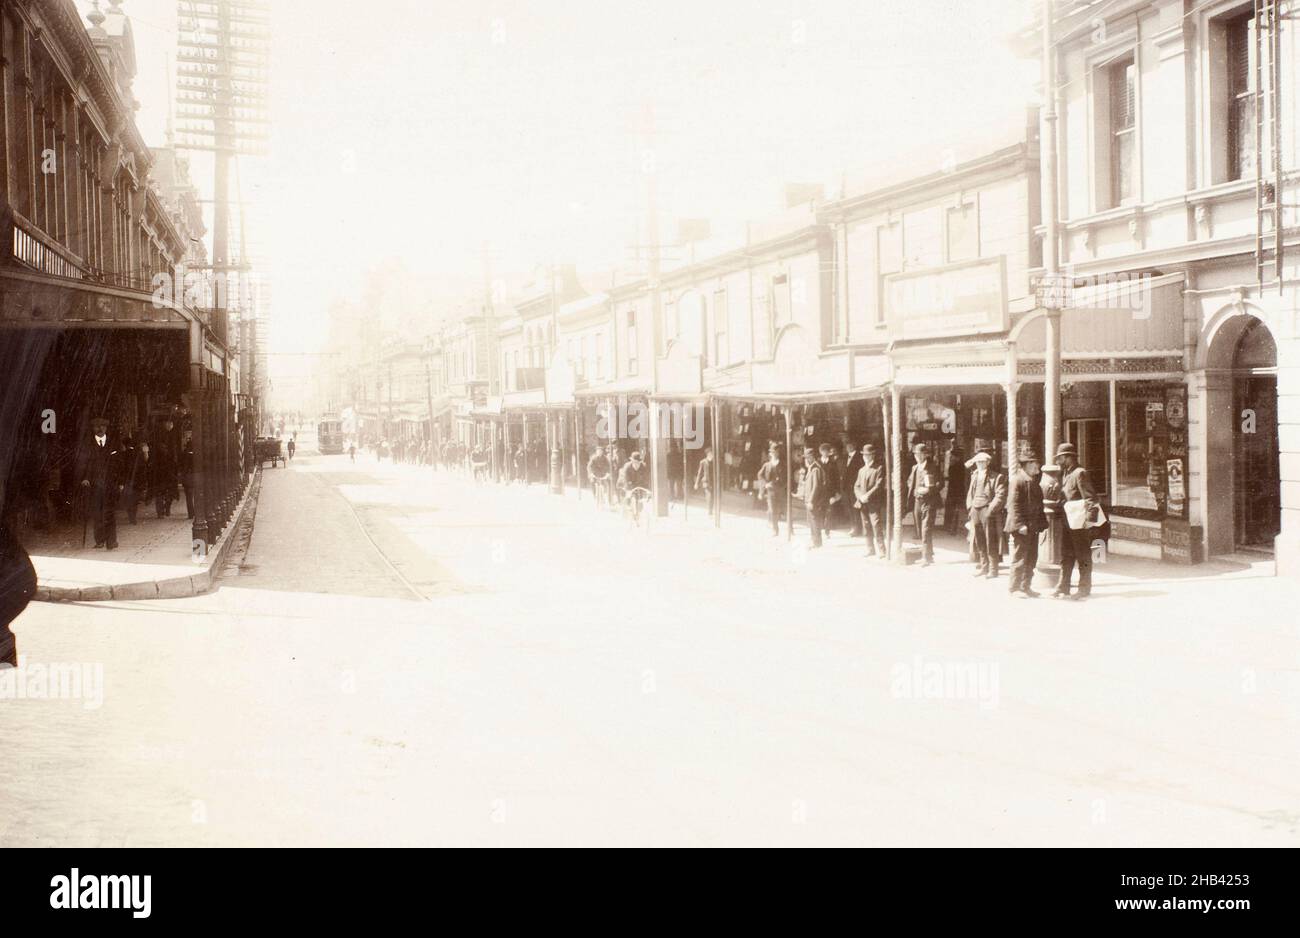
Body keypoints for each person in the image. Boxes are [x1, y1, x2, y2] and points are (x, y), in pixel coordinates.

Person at [1054, 442, 1100, 601]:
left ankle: (1084, 588)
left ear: (1068, 457)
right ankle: (1063, 586)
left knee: (1083, 556)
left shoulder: (1080, 473)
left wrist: (1089, 520)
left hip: (1080, 522)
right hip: (1068, 521)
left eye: (1060, 458)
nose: (1058, 461)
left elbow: (1091, 498)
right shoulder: (1066, 473)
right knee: (1066, 555)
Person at [1005, 449, 1047, 598]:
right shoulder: (1018, 480)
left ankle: (1025, 586)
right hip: (1022, 527)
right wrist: (1020, 524)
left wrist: (1042, 524)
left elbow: (1038, 504)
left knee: (1031, 557)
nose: (1038, 466)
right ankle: (1014, 587)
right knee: (1020, 557)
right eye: (1035, 463)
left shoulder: (1032, 481)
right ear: (1027, 464)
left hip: (1032, 527)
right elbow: (1013, 505)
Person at [76, 417, 122, 550]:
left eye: (102, 426)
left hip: (110, 484)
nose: (100, 429)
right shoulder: (88, 445)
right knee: (97, 513)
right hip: (95, 485)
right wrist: (85, 478)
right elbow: (83, 464)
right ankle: (100, 540)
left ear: (106, 428)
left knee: (110, 512)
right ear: (93, 429)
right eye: (97, 426)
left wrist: (120, 482)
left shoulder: (113, 444)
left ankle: (111, 541)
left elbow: (120, 464)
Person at [965, 447, 1007, 579]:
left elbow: (1000, 496)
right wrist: (970, 508)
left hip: (987, 510)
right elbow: (970, 493)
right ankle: (984, 566)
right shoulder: (975, 475)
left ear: (988, 462)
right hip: (975, 510)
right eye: (978, 462)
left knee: (990, 540)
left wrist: (990, 510)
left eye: (983, 462)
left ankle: (993, 569)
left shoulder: (997, 477)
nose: (980, 464)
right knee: (979, 539)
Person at [905, 442, 941, 566]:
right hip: (917, 502)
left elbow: (940, 483)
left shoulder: (933, 467)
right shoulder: (914, 468)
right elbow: (910, 481)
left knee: (926, 529)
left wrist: (928, 490)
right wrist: (913, 488)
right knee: (920, 529)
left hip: (929, 501)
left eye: (921, 454)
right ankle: (929, 554)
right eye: (916, 454)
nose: (918, 457)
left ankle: (926, 557)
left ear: (925, 455)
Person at [853, 443, 886, 558]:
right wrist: (860, 497)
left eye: (868, 455)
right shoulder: (861, 470)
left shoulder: (879, 468)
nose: (865, 457)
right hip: (863, 503)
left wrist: (867, 495)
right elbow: (856, 486)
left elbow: (879, 485)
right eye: (864, 455)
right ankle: (870, 549)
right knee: (866, 526)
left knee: (876, 525)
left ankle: (882, 550)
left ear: (872, 456)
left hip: (874, 502)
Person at [802, 447, 829, 549]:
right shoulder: (811, 468)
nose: (806, 460)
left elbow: (816, 486)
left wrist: (811, 501)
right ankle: (815, 541)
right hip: (809, 500)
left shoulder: (816, 469)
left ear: (811, 458)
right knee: (812, 521)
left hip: (814, 501)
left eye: (807, 458)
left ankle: (817, 542)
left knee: (815, 521)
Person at [756, 445, 786, 537]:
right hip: (771, 491)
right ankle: (775, 529)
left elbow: (787, 477)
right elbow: (760, 475)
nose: (774, 454)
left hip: (780, 490)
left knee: (780, 509)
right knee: (773, 510)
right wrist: (765, 484)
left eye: (775, 452)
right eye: (772, 452)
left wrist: (783, 486)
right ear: (770, 454)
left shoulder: (783, 465)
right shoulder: (767, 465)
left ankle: (788, 528)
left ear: (778, 453)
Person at [618, 451, 651, 524]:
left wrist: (647, 490)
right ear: (632, 462)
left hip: (640, 485)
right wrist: (629, 489)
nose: (636, 464)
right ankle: (628, 508)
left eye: (638, 463)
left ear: (640, 462)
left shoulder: (644, 467)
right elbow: (625, 480)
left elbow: (647, 479)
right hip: (629, 484)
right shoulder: (627, 467)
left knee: (641, 501)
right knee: (629, 496)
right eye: (634, 462)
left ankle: (638, 514)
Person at [841, 440, 864, 536]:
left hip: (855, 487)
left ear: (854, 445)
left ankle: (858, 529)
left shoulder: (859, 457)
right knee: (850, 508)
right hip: (847, 488)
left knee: (856, 509)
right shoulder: (845, 457)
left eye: (850, 445)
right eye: (847, 445)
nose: (848, 447)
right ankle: (853, 527)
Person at [943, 441, 966, 534]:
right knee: (956, 509)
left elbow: (950, 478)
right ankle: (952, 527)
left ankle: (951, 527)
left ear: (957, 457)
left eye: (953, 457)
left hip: (954, 491)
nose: (951, 458)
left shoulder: (954, 467)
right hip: (958, 490)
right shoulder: (961, 466)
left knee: (953, 509)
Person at [693, 447, 715, 514]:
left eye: (712, 453)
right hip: (706, 481)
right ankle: (709, 511)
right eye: (710, 453)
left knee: (712, 496)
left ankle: (710, 509)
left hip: (713, 481)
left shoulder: (715, 462)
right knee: (709, 495)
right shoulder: (703, 462)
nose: (712, 454)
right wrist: (696, 483)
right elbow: (699, 473)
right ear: (707, 454)